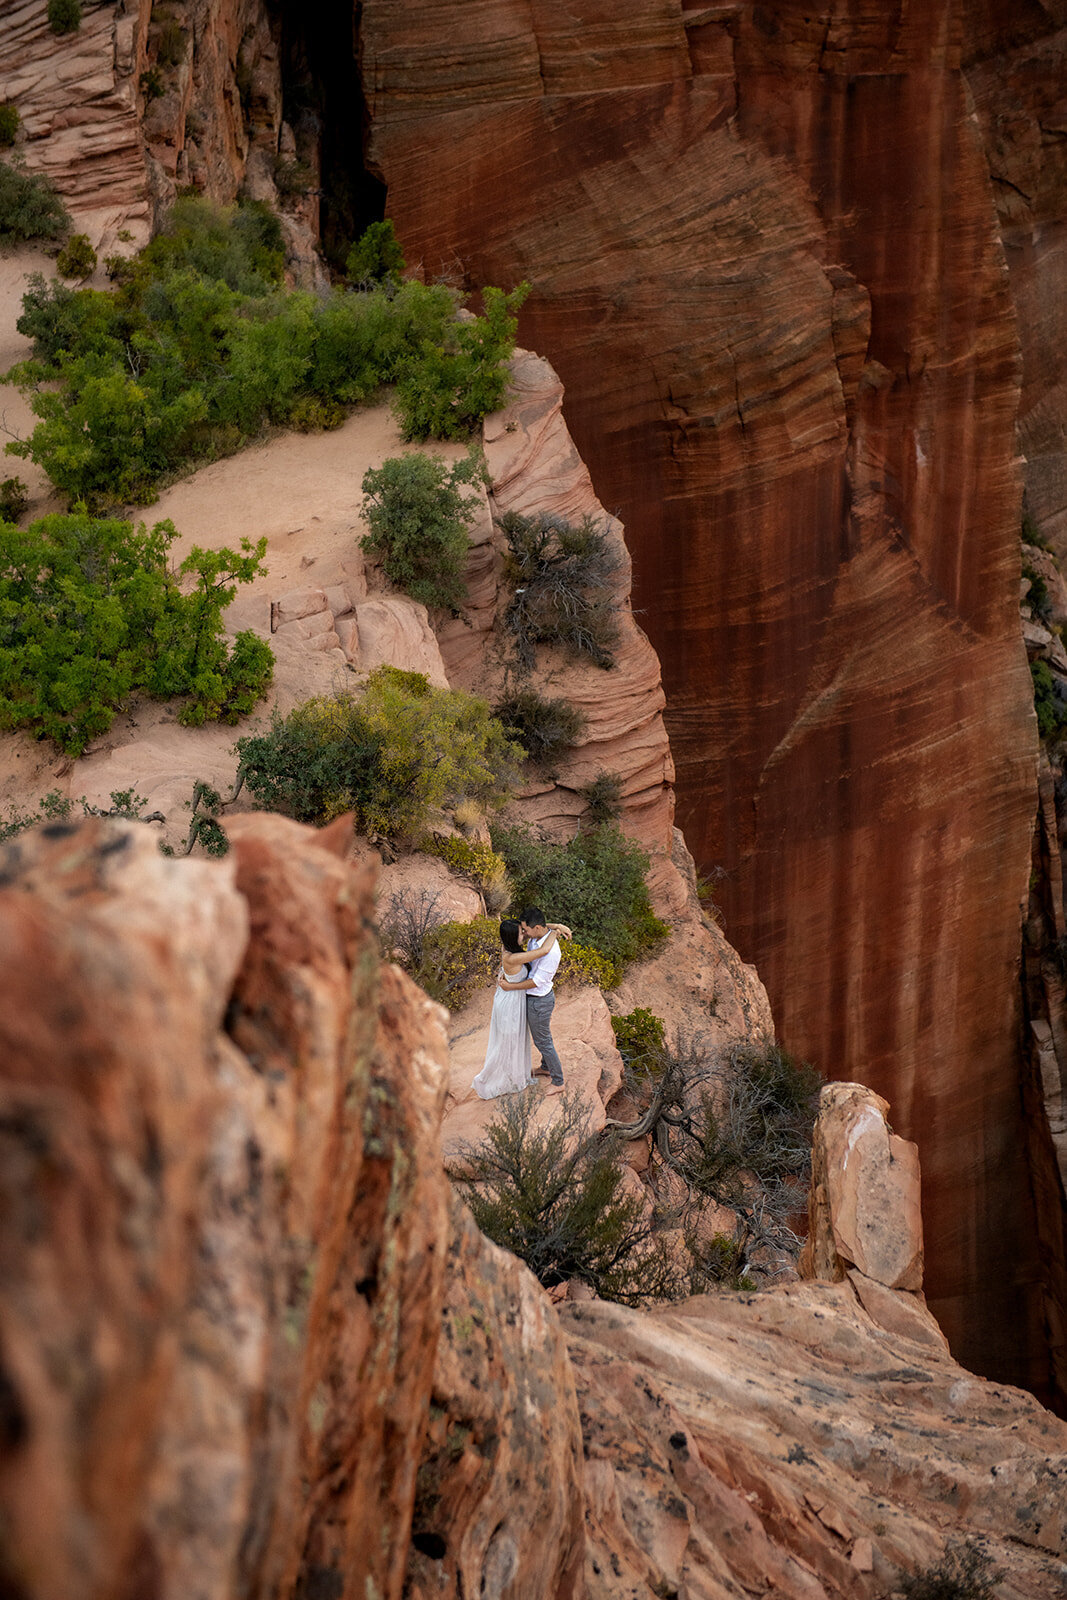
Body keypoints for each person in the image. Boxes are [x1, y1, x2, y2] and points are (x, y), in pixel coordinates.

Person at [471, 918, 562, 1099]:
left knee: (516, 1040)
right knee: (507, 1042)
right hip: (510, 1003)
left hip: (513, 998)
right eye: (521, 932)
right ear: (513, 937)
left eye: (524, 930)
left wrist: (552, 926)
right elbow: (544, 950)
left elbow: (535, 928)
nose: (525, 933)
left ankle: (516, 1074)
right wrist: (556, 931)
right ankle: (492, 1078)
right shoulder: (513, 957)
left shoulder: (510, 948)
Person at [499, 905, 568, 1096]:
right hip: (533, 999)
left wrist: (510, 987)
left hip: (539, 1001)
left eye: (525, 930)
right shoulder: (536, 936)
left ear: (536, 928)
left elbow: (536, 982)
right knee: (542, 1037)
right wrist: (557, 927)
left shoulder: (551, 952)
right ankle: (545, 1067)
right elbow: (541, 929)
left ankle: (558, 1080)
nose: (524, 933)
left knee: (543, 1041)